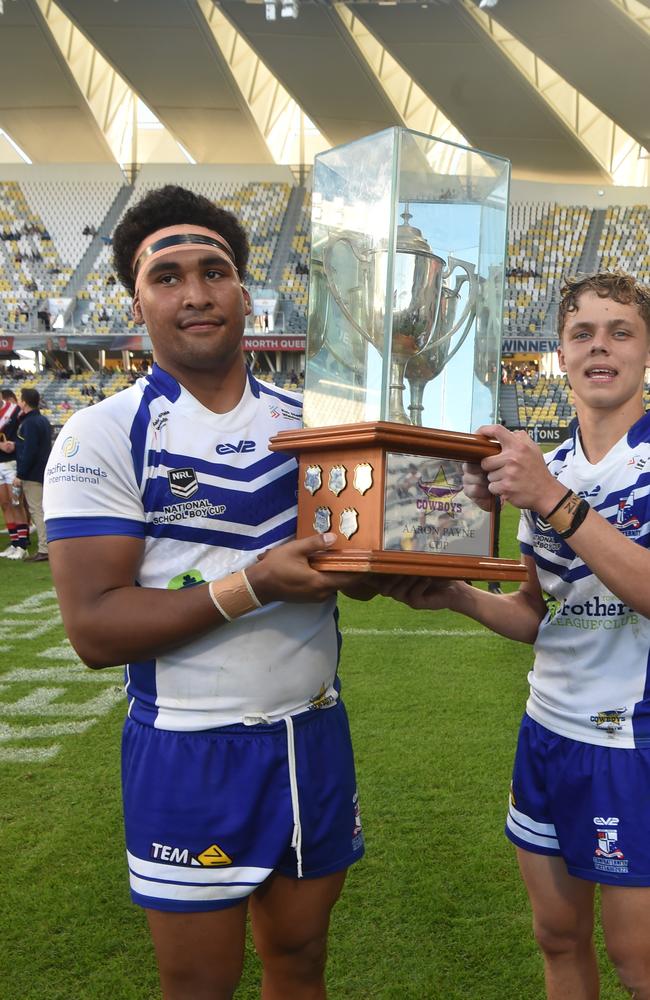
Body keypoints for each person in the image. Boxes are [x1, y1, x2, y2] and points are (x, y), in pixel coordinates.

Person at [43, 184, 368, 1000]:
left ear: (246, 294)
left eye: (214, 271)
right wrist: (254, 584)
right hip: (189, 748)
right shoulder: (102, 433)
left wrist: (418, 543)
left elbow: (355, 572)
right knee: (199, 987)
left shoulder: (315, 424)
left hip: (311, 736)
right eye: (169, 276)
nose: (195, 293)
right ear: (136, 304)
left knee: (300, 961)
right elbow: (95, 629)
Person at [375, 271, 650, 999]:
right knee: (557, 938)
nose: (600, 347)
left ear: (646, 351)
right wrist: (456, 596)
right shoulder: (544, 467)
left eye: (620, 332)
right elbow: (537, 613)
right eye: (581, 334)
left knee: (639, 960)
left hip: (635, 742)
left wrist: (555, 504)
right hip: (548, 732)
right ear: (560, 354)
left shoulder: (550, 483)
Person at [12, 388, 51, 562]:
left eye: (21, 399)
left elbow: (29, 450)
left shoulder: (29, 423)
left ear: (25, 402)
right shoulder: (42, 420)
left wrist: (21, 474)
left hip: (33, 473)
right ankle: (47, 546)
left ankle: (45, 549)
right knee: (42, 510)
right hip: (42, 471)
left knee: (37, 511)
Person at [0, 388, 29, 559]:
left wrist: (14, 445)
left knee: (16, 502)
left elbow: (24, 434)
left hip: (12, 463)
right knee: (5, 504)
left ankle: (23, 545)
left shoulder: (14, 410)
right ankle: (14, 542)